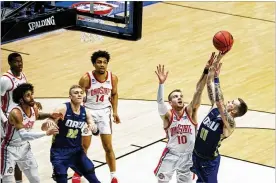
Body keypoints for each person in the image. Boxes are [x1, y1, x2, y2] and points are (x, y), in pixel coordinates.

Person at [153, 52, 216, 183]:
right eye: (175, 97)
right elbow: (160, 102)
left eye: (180, 96)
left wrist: (205, 71)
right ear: (170, 103)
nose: (179, 97)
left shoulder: (191, 112)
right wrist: (161, 84)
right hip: (171, 155)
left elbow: (198, 90)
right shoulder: (168, 115)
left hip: (189, 157)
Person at [191, 52, 248, 183]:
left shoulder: (230, 124)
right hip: (196, 155)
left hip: (209, 162)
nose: (229, 101)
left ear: (233, 110)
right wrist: (217, 61)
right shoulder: (214, 109)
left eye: (232, 102)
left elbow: (220, 102)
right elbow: (209, 82)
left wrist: (217, 78)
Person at [1, 83, 60, 183]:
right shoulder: (16, 113)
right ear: (21, 100)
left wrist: (50, 114)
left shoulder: (34, 108)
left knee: (35, 179)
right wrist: (45, 133)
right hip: (9, 149)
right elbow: (24, 135)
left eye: (32, 94)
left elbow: (36, 116)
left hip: (24, 148)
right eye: (28, 95)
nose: (32, 97)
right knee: (8, 181)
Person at [76, 50, 120, 183]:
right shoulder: (86, 78)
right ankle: (77, 173)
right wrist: (78, 114)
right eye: (99, 62)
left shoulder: (113, 78)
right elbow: (77, 96)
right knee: (84, 146)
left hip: (104, 113)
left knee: (108, 146)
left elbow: (114, 94)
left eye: (105, 62)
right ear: (94, 64)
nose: (102, 65)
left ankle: (113, 176)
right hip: (88, 111)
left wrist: (115, 112)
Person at [41, 85, 101, 183]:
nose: (79, 95)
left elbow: (96, 131)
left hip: (77, 151)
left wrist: (94, 128)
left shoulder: (85, 111)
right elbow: (44, 127)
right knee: (61, 179)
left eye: (81, 93)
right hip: (60, 152)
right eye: (76, 93)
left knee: (92, 175)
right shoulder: (63, 108)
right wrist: (48, 123)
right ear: (70, 96)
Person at [0, 52, 42, 183]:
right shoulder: (5, 80)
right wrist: (4, 119)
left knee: (19, 149)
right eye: (16, 62)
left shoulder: (23, 76)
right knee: (8, 148)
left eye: (21, 61)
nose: (19, 64)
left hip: (20, 114)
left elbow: (25, 94)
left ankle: (19, 181)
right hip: (6, 117)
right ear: (10, 63)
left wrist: (33, 103)